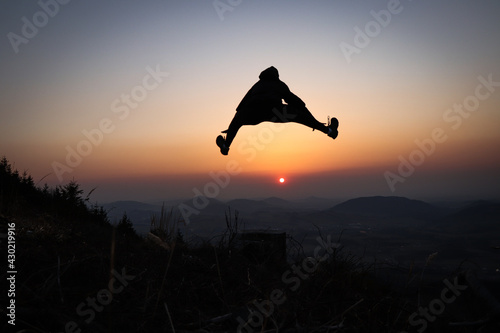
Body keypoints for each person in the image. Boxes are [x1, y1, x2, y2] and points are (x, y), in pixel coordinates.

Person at [216, 66, 339, 155]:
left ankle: (225, 146)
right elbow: (296, 102)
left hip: (254, 112)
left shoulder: (256, 85)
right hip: (275, 112)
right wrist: (313, 120)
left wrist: (233, 126)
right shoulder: (279, 84)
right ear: (276, 76)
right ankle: (329, 131)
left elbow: (240, 106)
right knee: (299, 114)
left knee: (238, 118)